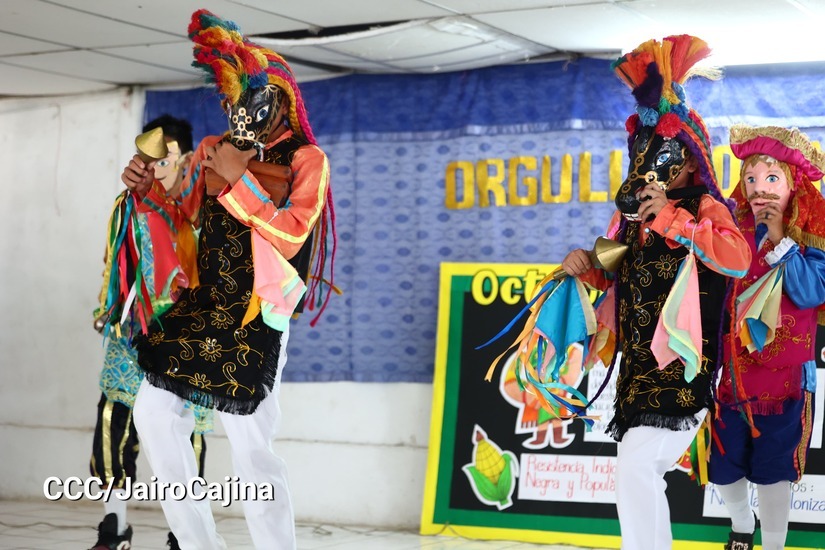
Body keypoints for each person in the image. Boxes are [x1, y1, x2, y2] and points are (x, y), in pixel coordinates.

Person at [123, 10, 334, 550]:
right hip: (202, 305)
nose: (234, 110)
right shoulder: (215, 146)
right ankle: (198, 544)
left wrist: (239, 180)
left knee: (250, 447)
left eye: (246, 100)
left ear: (277, 100)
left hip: (255, 316)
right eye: (229, 101)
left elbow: (290, 238)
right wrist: (146, 189)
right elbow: (181, 222)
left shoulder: (307, 159)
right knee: (151, 413)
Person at [560, 36, 751, 550]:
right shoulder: (629, 222)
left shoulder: (705, 207)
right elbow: (608, 270)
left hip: (684, 370)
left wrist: (672, 218)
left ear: (689, 159)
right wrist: (582, 266)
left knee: (639, 466)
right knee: (633, 471)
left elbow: (735, 258)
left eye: (662, 155)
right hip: (637, 372)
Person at [89, 115, 213, 550]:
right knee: (113, 420)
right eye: (150, 157)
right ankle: (114, 524)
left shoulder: (202, 209)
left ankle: (186, 534)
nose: (157, 165)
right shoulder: (128, 203)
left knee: (187, 434)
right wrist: (109, 305)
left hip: (185, 338)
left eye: (167, 157)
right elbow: (116, 263)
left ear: (185, 160)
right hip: (133, 332)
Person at [709, 125, 825, 550]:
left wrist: (780, 241)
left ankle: (773, 546)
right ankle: (742, 526)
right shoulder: (731, 228)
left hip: (788, 380)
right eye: (752, 179)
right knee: (723, 465)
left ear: (792, 185)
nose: (760, 190)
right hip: (734, 375)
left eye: (771, 179)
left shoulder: (811, 231)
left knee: (775, 469)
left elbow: (812, 292)